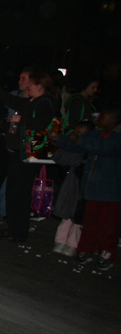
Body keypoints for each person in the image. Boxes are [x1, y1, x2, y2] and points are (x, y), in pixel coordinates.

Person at [0, 68, 56, 242]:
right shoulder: (32, 101)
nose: (27, 86)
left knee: (20, 193)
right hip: (20, 152)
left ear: (39, 86)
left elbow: (40, 124)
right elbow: (12, 100)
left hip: (29, 154)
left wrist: (20, 120)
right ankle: (14, 228)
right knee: (13, 191)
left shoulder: (46, 102)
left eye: (31, 83)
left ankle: (18, 232)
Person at [49, 108, 121, 270]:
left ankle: (107, 253)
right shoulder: (97, 134)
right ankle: (86, 250)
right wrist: (59, 138)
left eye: (103, 116)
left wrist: (78, 141)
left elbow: (104, 148)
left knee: (108, 224)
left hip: (112, 189)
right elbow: (79, 144)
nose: (99, 118)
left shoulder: (115, 137)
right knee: (89, 221)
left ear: (113, 120)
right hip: (93, 186)